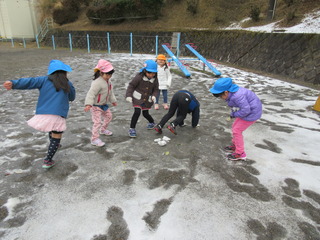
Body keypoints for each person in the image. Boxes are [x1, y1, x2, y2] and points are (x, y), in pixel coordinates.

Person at [2, 60, 75, 169]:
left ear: (51, 72)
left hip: (43, 113)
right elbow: (72, 97)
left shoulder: (43, 80)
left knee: (50, 126)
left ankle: (53, 146)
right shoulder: (67, 84)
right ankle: (48, 160)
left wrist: (13, 84)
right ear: (65, 72)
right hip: (58, 114)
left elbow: (29, 82)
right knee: (56, 134)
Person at [209, 77, 262, 161]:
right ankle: (236, 145)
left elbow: (246, 110)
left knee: (237, 130)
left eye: (220, 96)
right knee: (234, 127)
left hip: (251, 114)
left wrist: (234, 114)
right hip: (246, 112)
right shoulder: (232, 93)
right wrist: (234, 113)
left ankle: (240, 153)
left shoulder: (237, 96)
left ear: (226, 92)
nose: (220, 98)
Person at [84, 59, 117, 147]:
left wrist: (113, 101)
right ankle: (94, 139)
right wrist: (88, 104)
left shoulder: (108, 82)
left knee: (109, 116)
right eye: (107, 74)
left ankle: (103, 129)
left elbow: (110, 92)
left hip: (104, 105)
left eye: (110, 74)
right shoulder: (97, 82)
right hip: (95, 106)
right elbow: (91, 94)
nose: (109, 76)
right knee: (97, 122)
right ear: (101, 72)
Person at [126, 60, 159, 137]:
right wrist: (128, 95)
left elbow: (156, 89)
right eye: (149, 73)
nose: (151, 75)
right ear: (144, 71)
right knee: (137, 112)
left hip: (147, 99)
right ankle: (132, 128)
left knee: (145, 113)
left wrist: (154, 95)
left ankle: (152, 122)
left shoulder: (155, 79)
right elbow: (131, 86)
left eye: (153, 73)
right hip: (137, 98)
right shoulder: (139, 77)